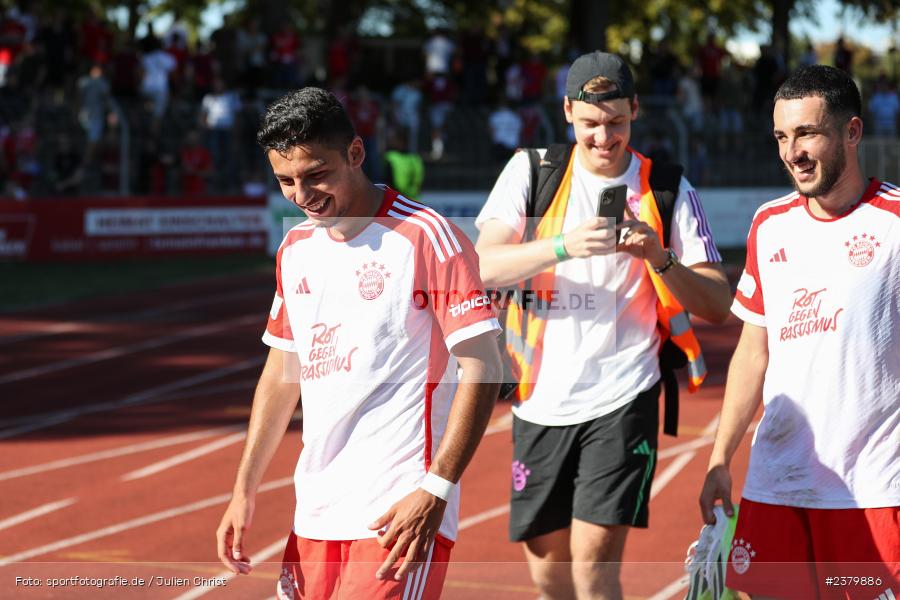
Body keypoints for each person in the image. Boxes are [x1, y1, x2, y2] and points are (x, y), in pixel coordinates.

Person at [215, 87, 502, 600]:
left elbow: (484, 365)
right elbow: (281, 373)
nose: (301, 195)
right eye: (285, 181)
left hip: (398, 511)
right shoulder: (295, 247)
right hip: (316, 510)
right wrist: (244, 490)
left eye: (315, 174)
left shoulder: (427, 237)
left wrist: (436, 489)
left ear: (354, 153)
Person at [475, 51, 731, 599]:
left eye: (616, 122)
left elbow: (716, 303)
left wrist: (659, 257)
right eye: (591, 122)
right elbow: (483, 265)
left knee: (593, 568)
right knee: (549, 573)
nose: (603, 137)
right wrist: (562, 246)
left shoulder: (668, 187)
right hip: (539, 399)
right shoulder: (531, 171)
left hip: (624, 394)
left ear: (635, 109)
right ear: (568, 111)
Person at [699, 64, 899, 600]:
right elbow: (753, 351)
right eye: (782, 137)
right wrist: (720, 458)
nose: (793, 153)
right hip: (776, 483)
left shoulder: (895, 223)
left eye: (807, 133)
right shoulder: (770, 224)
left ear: (852, 132)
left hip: (871, 490)